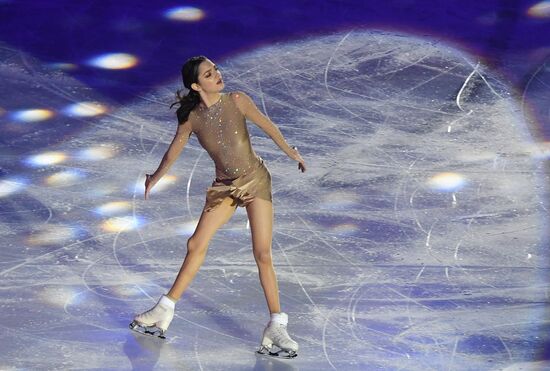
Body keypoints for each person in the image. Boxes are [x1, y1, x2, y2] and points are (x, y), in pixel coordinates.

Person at [129, 56, 306, 358]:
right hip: (225, 187)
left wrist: (292, 153)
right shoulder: (192, 118)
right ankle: (164, 309)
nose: (217, 75)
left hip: (255, 182)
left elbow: (268, 125)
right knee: (196, 243)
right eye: (209, 74)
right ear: (197, 85)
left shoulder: (237, 100)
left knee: (262, 252)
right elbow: (174, 151)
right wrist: (154, 177)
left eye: (216, 70)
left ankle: (276, 324)